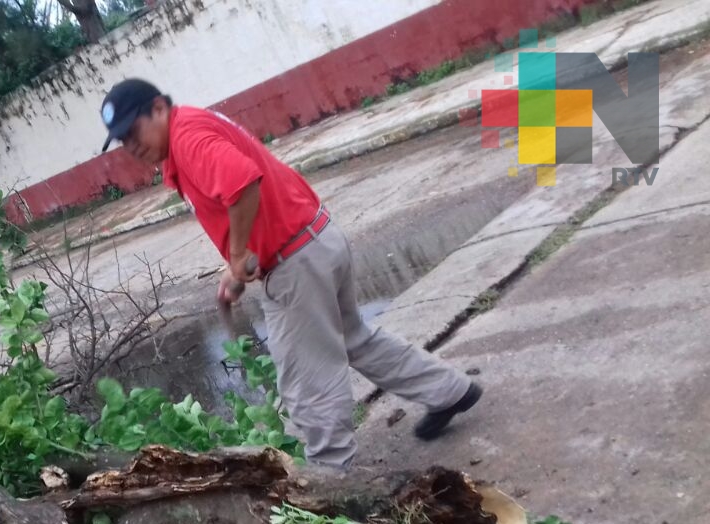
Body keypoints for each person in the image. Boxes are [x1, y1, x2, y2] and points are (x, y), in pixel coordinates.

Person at [99, 78, 481, 469]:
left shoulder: (187, 139)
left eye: (133, 130)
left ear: (159, 107)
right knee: (356, 341)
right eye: (122, 139)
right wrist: (236, 268)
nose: (131, 145)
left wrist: (238, 253)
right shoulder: (190, 131)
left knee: (306, 384)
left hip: (296, 264)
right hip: (316, 240)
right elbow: (245, 199)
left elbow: (243, 183)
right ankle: (449, 391)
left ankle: (332, 485)